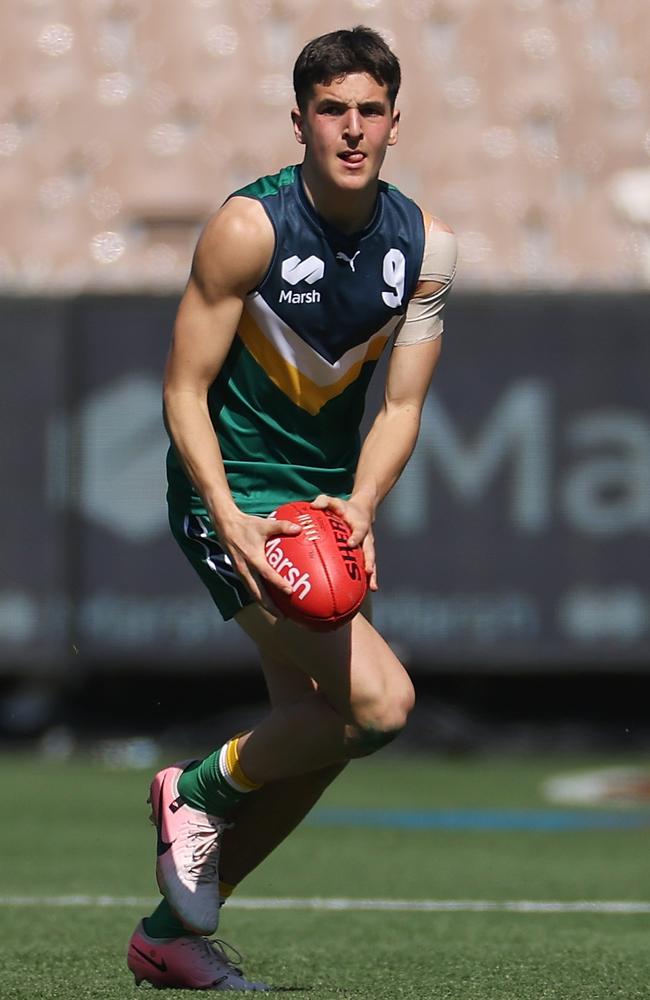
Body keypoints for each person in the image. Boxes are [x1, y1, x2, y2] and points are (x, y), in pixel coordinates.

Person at [126, 25, 457, 991]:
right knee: (380, 704)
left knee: (323, 736)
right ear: (302, 118)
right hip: (229, 497)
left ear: (396, 121)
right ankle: (193, 790)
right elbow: (183, 391)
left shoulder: (427, 247)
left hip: (315, 513)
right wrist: (226, 517)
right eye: (332, 110)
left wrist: (359, 504)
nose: (351, 129)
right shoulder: (248, 226)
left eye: (370, 111)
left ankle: (169, 939)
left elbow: (401, 406)